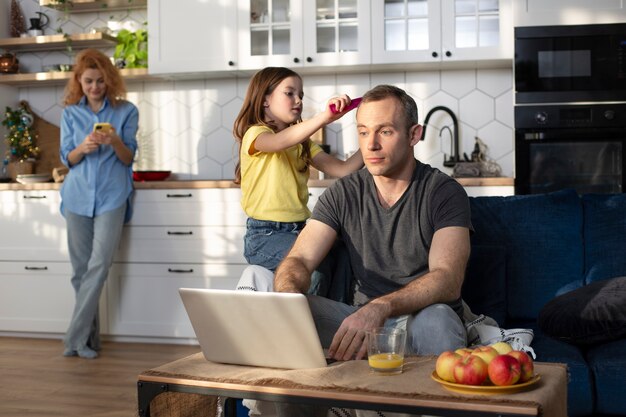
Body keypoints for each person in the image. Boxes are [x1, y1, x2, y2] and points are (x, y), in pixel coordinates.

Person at [233, 66, 363, 276]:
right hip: (264, 236)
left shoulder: (303, 143)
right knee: (314, 268)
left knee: (342, 256)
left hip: (300, 230)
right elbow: (279, 141)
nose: (298, 100)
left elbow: (343, 169)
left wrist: (370, 140)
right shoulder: (256, 135)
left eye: (300, 95)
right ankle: (308, 310)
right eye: (289, 93)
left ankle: (333, 310)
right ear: (265, 99)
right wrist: (324, 117)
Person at [59, 49, 138, 359]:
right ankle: (89, 340)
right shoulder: (70, 113)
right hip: (76, 196)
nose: (95, 87)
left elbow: (129, 157)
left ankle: (73, 339)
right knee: (80, 271)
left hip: (112, 196)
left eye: (100, 81)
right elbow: (68, 158)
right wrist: (84, 146)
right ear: (79, 81)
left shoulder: (127, 111)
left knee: (99, 265)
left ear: (110, 81)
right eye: (89, 81)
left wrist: (114, 140)